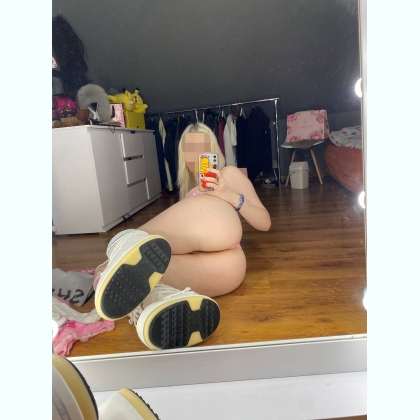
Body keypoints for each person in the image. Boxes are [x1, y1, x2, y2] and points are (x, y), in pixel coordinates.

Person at [93, 123, 271, 350]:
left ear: (213, 150)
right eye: (190, 149)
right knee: (142, 276)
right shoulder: (188, 193)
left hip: (227, 244)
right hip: (222, 269)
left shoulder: (228, 174)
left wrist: (230, 195)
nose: (196, 155)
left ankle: (122, 243)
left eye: (202, 147)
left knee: (130, 255)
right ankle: (151, 309)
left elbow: (265, 223)